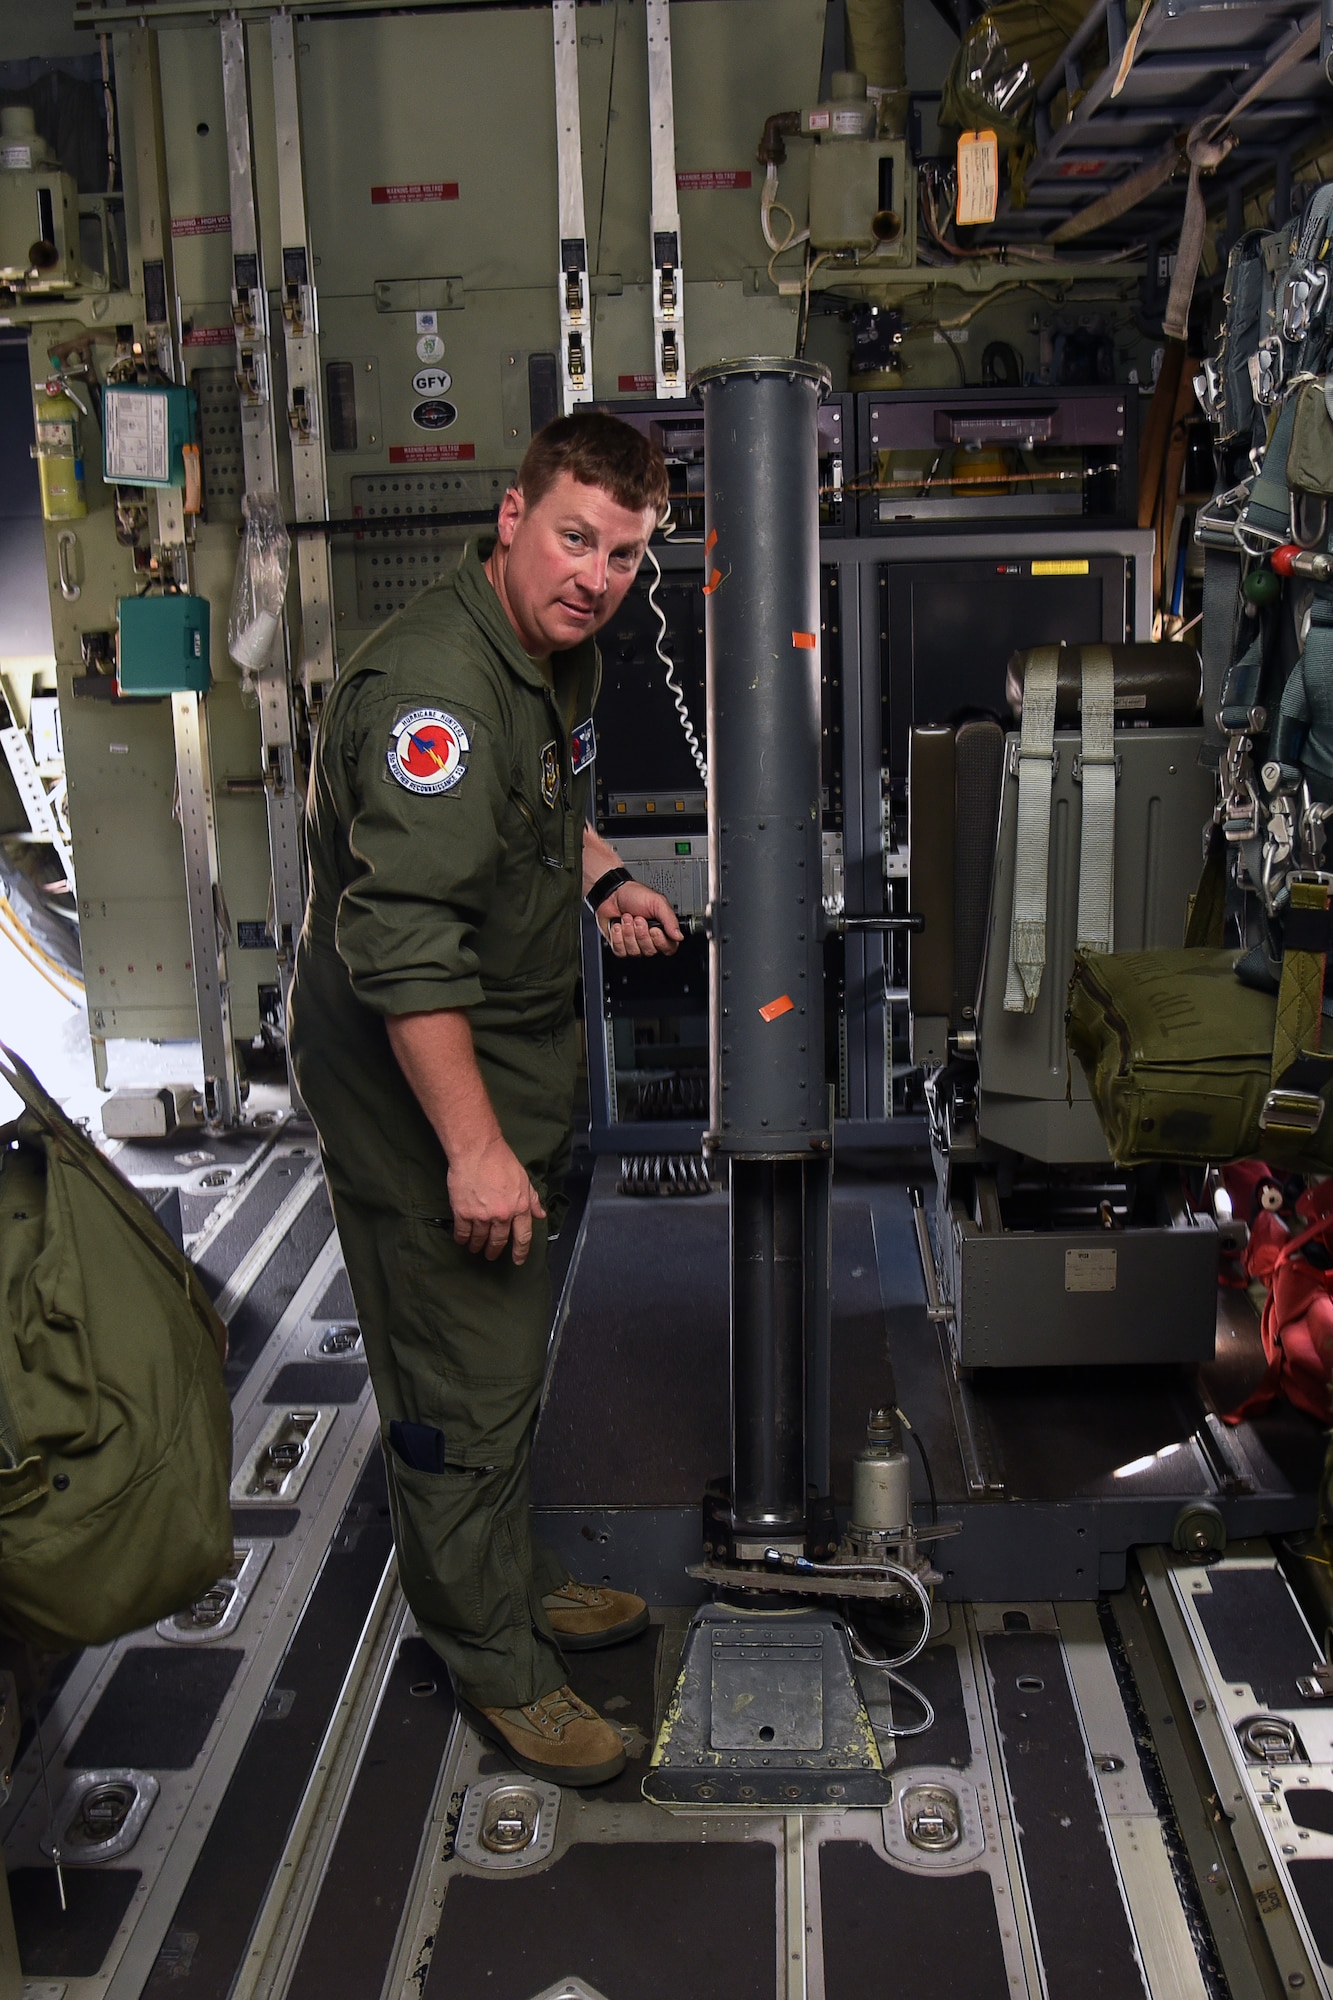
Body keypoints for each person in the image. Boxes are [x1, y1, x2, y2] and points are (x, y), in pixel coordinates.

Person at [288, 413, 683, 1787]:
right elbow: (399, 950)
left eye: (624, 555)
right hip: (419, 1077)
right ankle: (493, 1657)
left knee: (505, 1357)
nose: (597, 576)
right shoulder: (434, 700)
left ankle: (504, 1578)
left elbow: (535, 813)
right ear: (511, 518)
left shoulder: (547, 654)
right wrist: (469, 1151)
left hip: (504, 1043)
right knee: (463, 1372)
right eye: (575, 538)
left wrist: (604, 878)